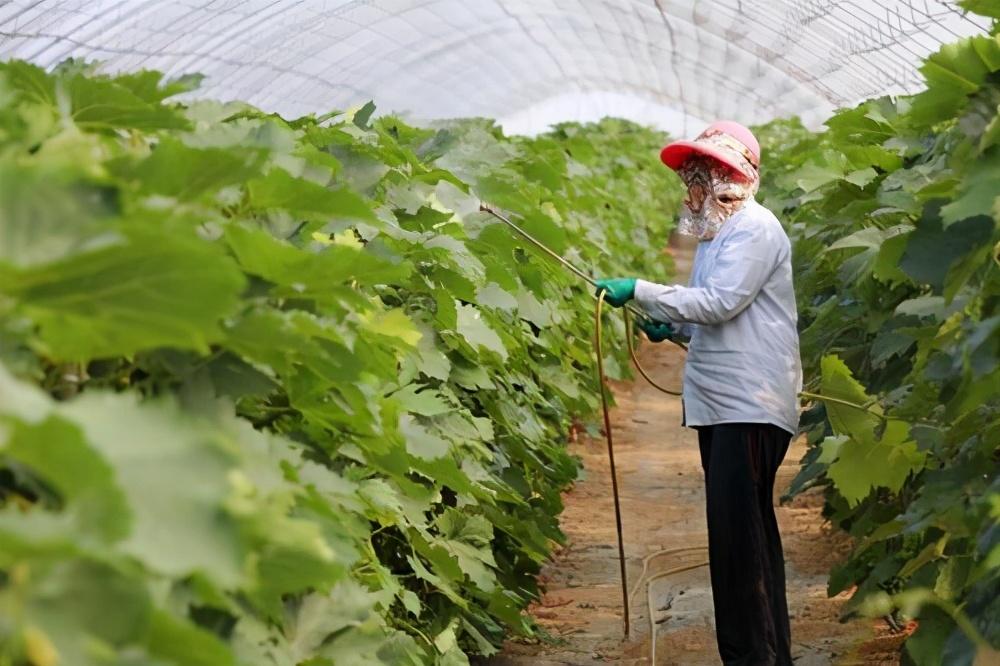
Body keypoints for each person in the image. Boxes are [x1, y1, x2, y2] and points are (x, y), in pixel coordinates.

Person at [595, 121, 801, 666]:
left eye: (700, 179)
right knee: (746, 540)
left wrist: (641, 290)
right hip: (727, 407)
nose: (691, 192)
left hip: (747, 405)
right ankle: (768, 656)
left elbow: (720, 303)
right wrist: (676, 327)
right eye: (690, 180)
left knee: (739, 547)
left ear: (731, 180)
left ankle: (751, 658)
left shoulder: (754, 229)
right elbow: (710, 308)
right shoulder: (721, 236)